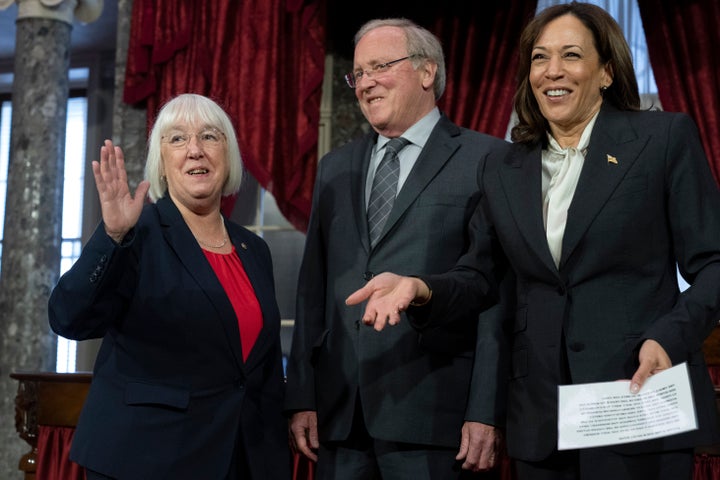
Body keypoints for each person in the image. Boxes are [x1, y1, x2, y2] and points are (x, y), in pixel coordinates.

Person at [347, 3, 720, 479]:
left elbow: (713, 263)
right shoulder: (507, 167)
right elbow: (480, 276)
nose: (552, 71)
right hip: (542, 418)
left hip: (637, 397)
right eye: (540, 58)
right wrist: (420, 288)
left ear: (606, 71)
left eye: (570, 55)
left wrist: (668, 339)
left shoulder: (662, 139)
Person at [284, 17, 511, 479]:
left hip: (433, 413)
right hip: (340, 414)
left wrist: (485, 408)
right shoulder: (335, 167)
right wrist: (302, 396)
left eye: (380, 67)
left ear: (427, 72)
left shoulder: (487, 159)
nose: (365, 84)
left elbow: (496, 294)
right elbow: (313, 291)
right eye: (358, 74)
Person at [48, 93, 291, 479]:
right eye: (177, 139)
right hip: (146, 458)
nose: (195, 150)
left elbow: (257, 371)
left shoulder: (253, 249)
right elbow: (68, 319)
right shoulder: (136, 234)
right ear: (161, 163)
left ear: (228, 155)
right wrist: (111, 236)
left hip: (239, 458)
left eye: (210, 136)